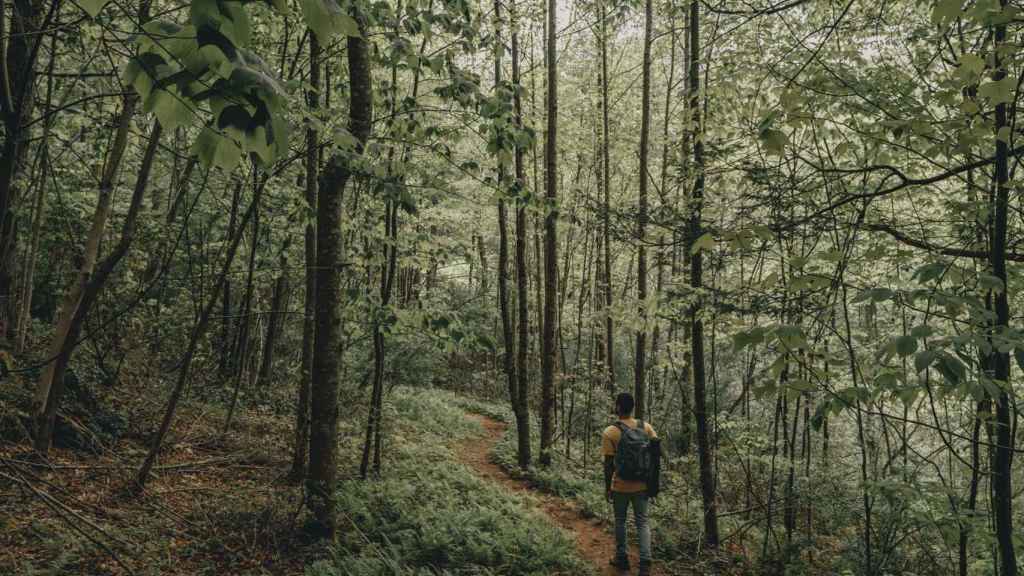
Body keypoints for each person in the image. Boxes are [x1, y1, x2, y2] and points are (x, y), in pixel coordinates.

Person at [602, 392, 657, 575]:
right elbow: (655, 458)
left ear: (618, 407)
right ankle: (645, 563)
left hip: (621, 486)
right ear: (633, 408)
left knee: (620, 521)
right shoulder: (646, 428)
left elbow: (609, 464)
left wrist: (607, 487)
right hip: (642, 485)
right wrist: (653, 486)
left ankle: (622, 560)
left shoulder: (610, 432)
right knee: (642, 522)